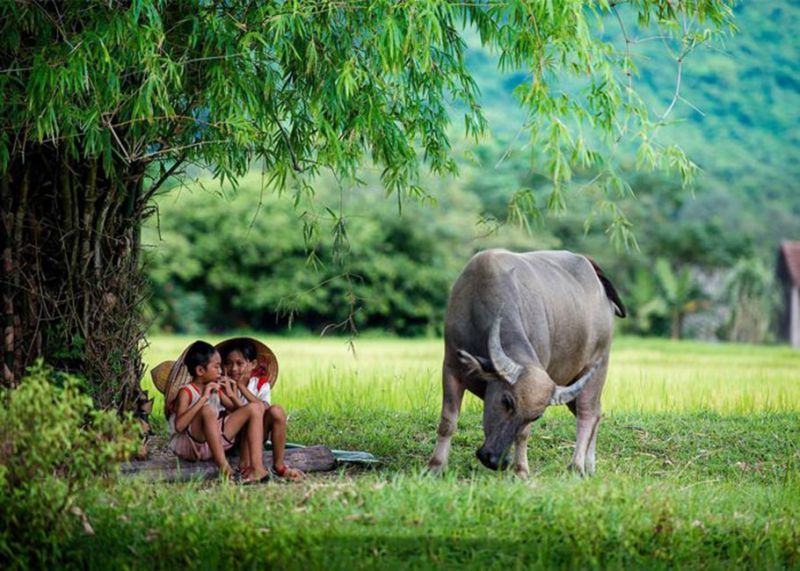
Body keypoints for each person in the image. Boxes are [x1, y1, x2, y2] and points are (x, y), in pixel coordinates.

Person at [166, 340, 270, 483]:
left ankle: (257, 468)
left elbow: (241, 413)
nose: (221, 371)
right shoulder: (186, 392)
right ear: (200, 371)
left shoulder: (216, 388)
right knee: (207, 410)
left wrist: (232, 394)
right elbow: (179, 426)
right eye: (216, 367)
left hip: (213, 443)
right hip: (191, 446)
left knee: (255, 408)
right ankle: (225, 468)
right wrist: (203, 398)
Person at [218, 337, 304, 480]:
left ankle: (279, 466)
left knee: (277, 411)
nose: (233, 369)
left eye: (240, 363)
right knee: (251, 414)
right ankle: (245, 465)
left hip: (255, 435)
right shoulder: (221, 385)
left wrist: (240, 387)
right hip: (230, 437)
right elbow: (235, 415)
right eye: (228, 363)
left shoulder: (260, 384)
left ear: (253, 364)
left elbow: (262, 409)